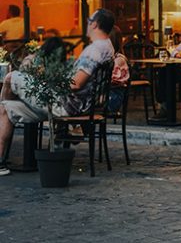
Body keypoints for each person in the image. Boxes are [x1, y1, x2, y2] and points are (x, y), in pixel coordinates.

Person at [0, 9, 115, 176]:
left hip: (65, 105)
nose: (88, 23)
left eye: (90, 20)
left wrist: (52, 82)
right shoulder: (107, 46)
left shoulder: (95, 50)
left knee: (12, 77)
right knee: (5, 108)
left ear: (95, 24)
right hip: (70, 104)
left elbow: (75, 84)